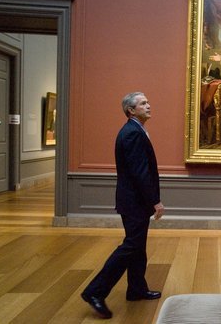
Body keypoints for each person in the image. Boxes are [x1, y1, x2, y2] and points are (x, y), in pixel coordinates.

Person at [81, 92, 164, 318]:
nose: (149, 105)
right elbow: (140, 173)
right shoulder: (132, 134)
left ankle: (136, 289)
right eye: (143, 103)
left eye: (148, 101)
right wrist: (155, 201)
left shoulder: (134, 130)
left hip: (134, 201)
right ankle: (95, 291)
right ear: (131, 110)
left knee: (137, 247)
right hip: (134, 202)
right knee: (131, 246)